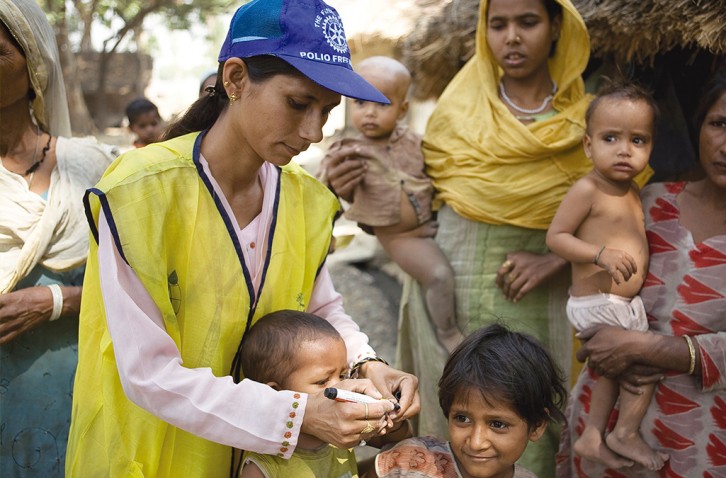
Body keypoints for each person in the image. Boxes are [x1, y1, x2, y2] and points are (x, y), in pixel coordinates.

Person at [65, 1, 420, 476]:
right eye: (298, 103)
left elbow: (318, 308)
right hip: (158, 453)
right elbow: (147, 371)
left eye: (328, 110)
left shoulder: (307, 200)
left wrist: (365, 364)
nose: (314, 132)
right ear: (234, 80)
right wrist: (297, 416)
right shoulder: (138, 192)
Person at [324, 1, 651, 474]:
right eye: (498, 24)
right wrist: (350, 185)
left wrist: (555, 260)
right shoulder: (457, 110)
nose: (512, 37)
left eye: (528, 22)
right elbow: (408, 203)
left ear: (557, 26)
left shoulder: (592, 120)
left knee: (535, 412)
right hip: (450, 292)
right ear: (483, 31)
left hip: (548, 297)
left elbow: (621, 207)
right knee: (456, 419)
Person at [560, 60, 726, 477]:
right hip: (601, 423)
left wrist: (637, 346)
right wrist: (549, 265)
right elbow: (595, 257)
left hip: (701, 440)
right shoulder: (650, 200)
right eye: (718, 123)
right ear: (698, 129)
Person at [0, 1, 116, 475]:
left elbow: (153, 288)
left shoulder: (93, 167)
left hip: (78, 400)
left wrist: (54, 301)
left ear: (34, 67)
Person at [546, 82, 666, 471]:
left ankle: (595, 435)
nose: (624, 149)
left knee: (622, 370)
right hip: (597, 301)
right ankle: (622, 433)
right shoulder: (588, 189)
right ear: (587, 145)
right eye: (610, 138)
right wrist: (600, 254)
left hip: (620, 303)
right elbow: (556, 238)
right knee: (639, 364)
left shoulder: (632, 189)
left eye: (638, 139)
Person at [321, 56, 462, 352]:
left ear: (403, 109)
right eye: (361, 103)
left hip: (428, 222)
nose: (370, 113)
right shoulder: (348, 151)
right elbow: (323, 189)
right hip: (399, 235)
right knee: (439, 276)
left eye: (382, 104)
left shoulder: (414, 141)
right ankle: (447, 332)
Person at [368, 323, 567, 478]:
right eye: (462, 418)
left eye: (498, 424)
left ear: (537, 426)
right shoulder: (410, 464)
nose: (477, 442)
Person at [238, 310, 412, 478]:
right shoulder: (264, 468)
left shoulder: (343, 430)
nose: (343, 386)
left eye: (343, 375)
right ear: (276, 393)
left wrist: (393, 420)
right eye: (322, 382)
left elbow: (397, 442)